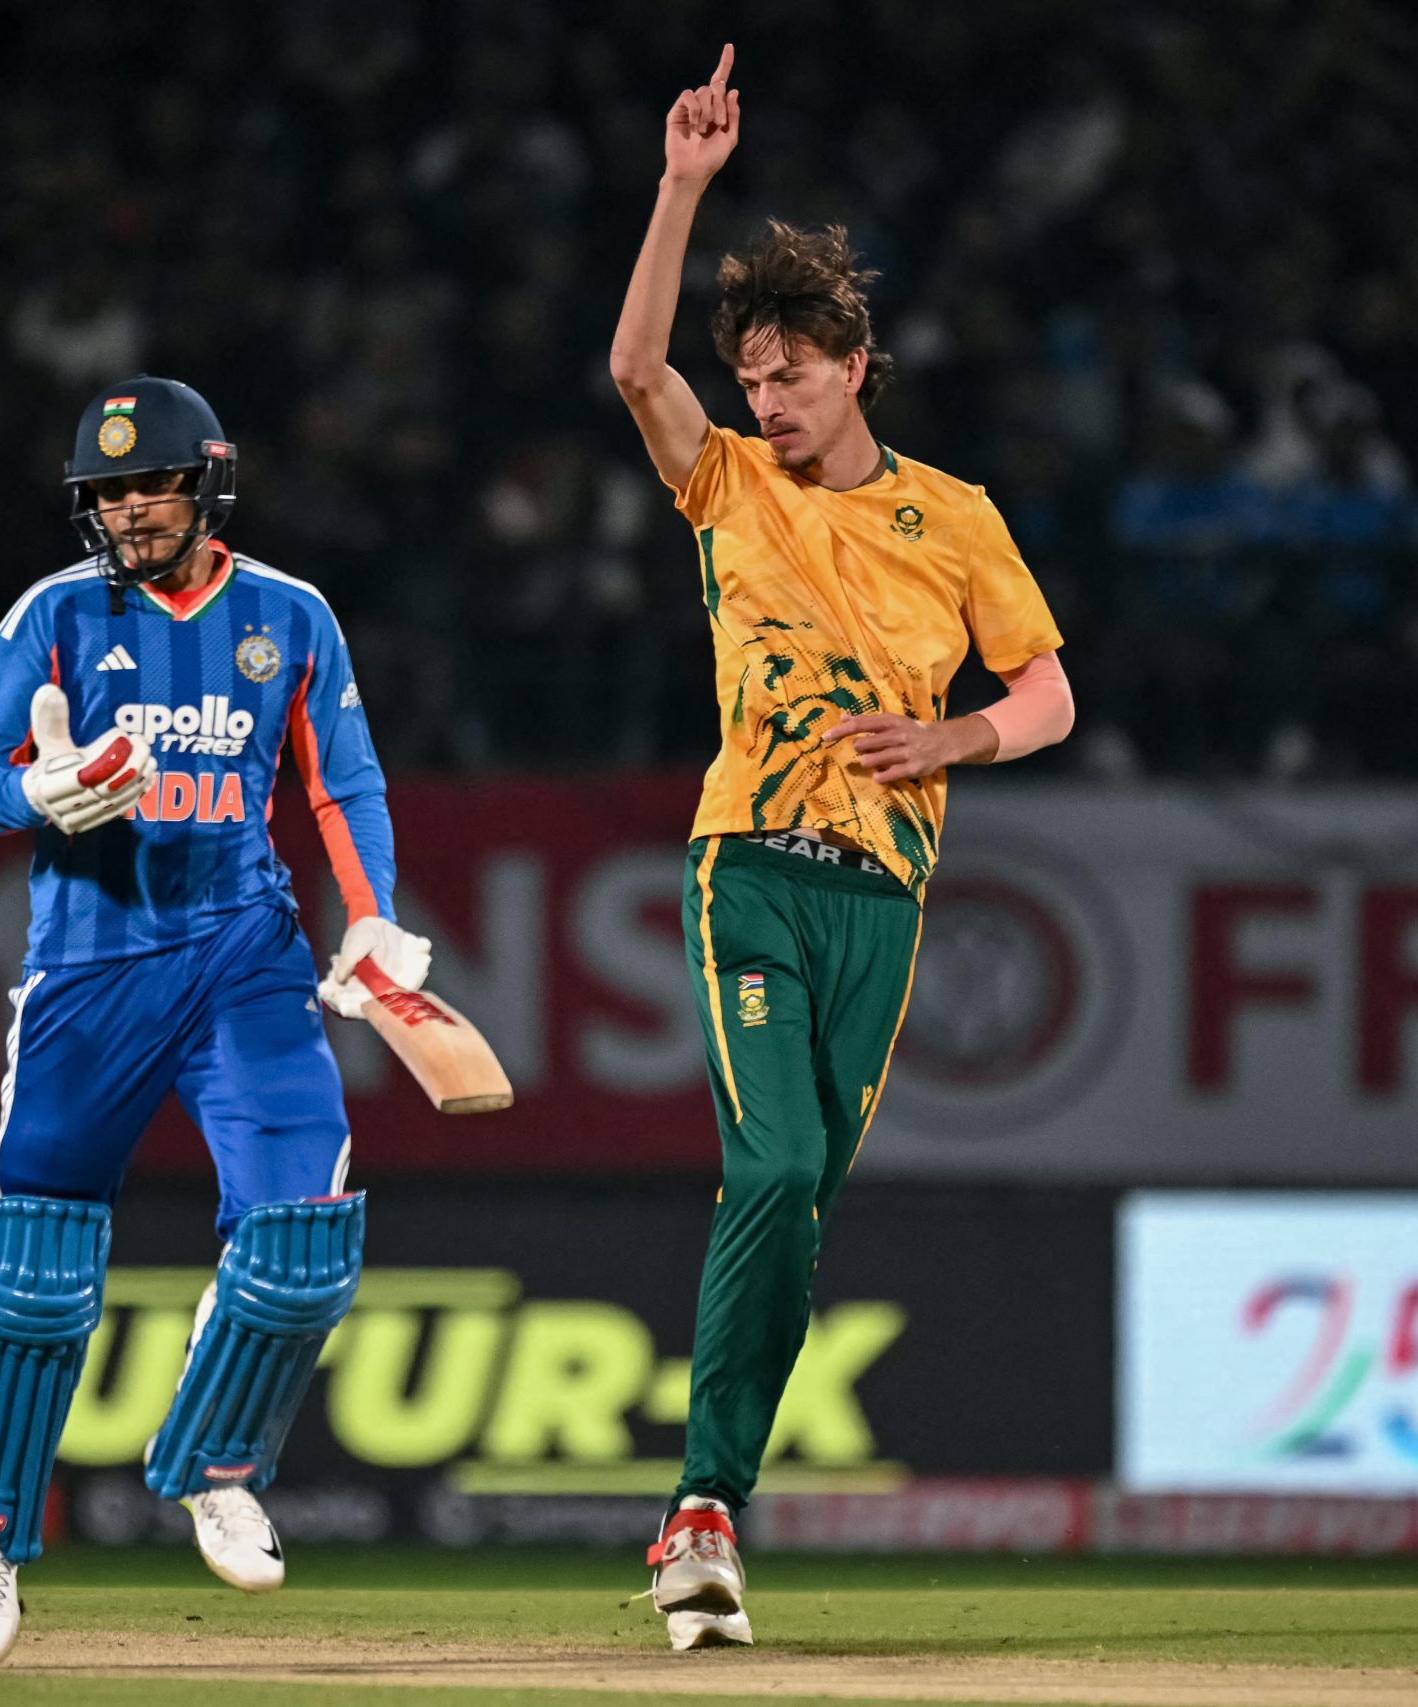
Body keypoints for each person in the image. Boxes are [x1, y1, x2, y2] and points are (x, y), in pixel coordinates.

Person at [607, 47, 1077, 1651]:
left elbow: (1051, 694)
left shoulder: (957, 517)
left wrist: (948, 741)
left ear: (858, 365)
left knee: (800, 1212)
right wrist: (681, 187)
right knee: (782, 1164)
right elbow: (630, 369)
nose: (765, 398)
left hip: (886, 895)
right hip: (751, 864)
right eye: (751, 378)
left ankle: (706, 1513)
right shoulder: (727, 486)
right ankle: (699, 1506)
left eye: (792, 373)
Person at [0, 376, 434, 1669]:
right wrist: (40, 789)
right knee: (32, 1279)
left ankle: (214, 1461)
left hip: (246, 959)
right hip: (89, 973)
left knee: (306, 1241)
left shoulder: (289, 616)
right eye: (107, 491)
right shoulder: (49, 618)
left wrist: (367, 920)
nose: (131, 510)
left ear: (208, 483)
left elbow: (342, 783)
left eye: (152, 486)